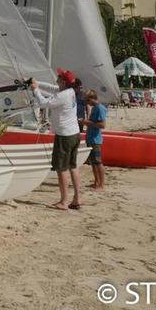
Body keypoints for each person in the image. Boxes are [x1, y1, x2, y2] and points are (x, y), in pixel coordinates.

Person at [30, 68, 82, 210]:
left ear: (64, 82)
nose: (56, 79)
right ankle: (77, 198)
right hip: (74, 133)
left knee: (61, 169)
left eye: (59, 78)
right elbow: (52, 88)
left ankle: (64, 201)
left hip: (64, 136)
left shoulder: (63, 95)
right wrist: (35, 83)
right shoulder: (70, 91)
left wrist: (35, 90)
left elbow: (43, 103)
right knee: (73, 166)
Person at [83, 89, 107, 190]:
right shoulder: (95, 108)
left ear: (92, 99)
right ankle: (96, 182)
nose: (87, 103)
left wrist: (87, 123)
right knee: (93, 162)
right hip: (91, 138)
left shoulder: (100, 108)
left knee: (98, 162)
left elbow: (102, 125)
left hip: (95, 139)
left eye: (87, 101)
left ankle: (101, 184)